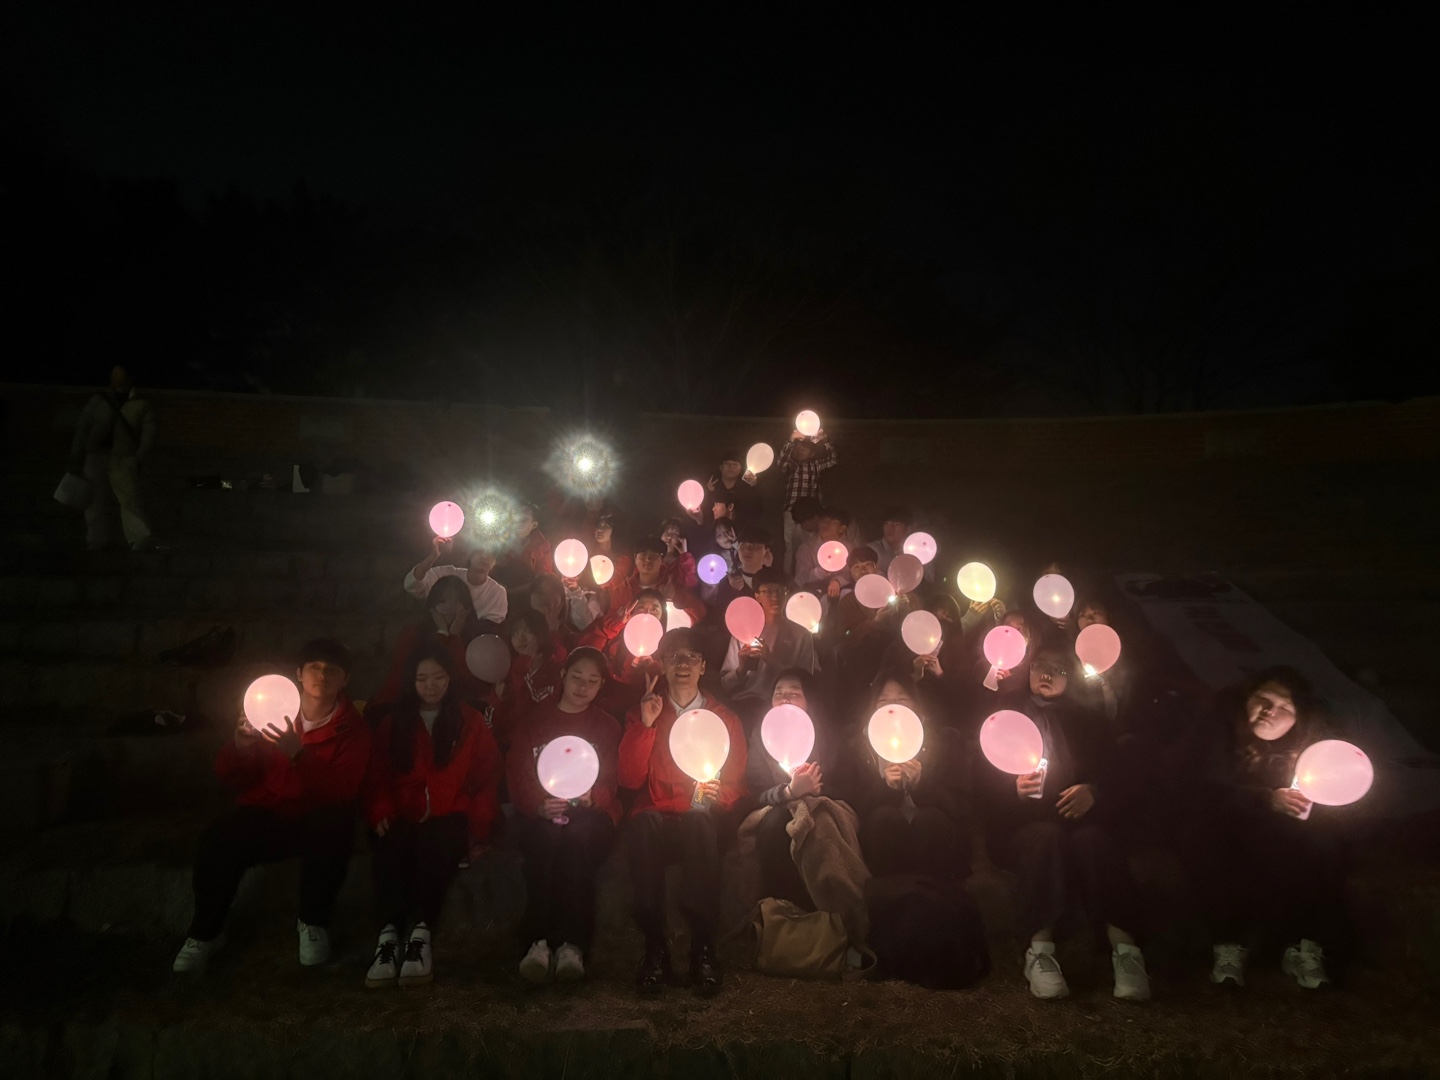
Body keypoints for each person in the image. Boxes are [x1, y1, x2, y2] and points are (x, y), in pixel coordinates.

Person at [174, 639, 370, 973]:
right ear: (299, 674)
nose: (322, 676)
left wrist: (298, 754)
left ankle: (313, 923)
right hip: (273, 812)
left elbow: (341, 790)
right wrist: (241, 747)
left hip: (319, 818)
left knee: (336, 825)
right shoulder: (269, 711)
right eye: (314, 667)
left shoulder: (353, 730)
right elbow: (234, 778)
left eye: (332, 670)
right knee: (218, 838)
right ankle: (206, 932)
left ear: (345, 679)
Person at [975, 644, 1150, 1001]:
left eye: (1057, 669)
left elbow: (1120, 777)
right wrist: (1013, 791)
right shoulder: (1005, 717)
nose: (1046, 674)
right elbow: (981, 786)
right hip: (1024, 825)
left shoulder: (1090, 722)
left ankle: (1126, 951)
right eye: (1040, 666)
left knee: (1094, 842)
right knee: (1044, 837)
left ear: (1071, 678)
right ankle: (1040, 951)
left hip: (1082, 822)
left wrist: (1094, 792)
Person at [1177, 667, 1348, 990]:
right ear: (1247, 698)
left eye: (1284, 707)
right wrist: (1265, 799)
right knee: (1209, 846)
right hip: (1220, 821)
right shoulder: (1217, 732)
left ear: (1299, 717)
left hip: (1279, 829)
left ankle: (1303, 946)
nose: (1270, 711)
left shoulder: (1311, 750)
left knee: (1319, 848)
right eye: (1264, 700)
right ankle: (1228, 946)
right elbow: (1198, 790)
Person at [362, 644, 501, 987]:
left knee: (436, 849)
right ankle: (388, 937)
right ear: (411, 681)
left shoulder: (469, 722)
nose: (431, 685)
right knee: (391, 849)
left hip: (451, 812)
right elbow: (377, 776)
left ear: (450, 679)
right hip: (403, 812)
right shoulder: (394, 723)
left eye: (438, 677)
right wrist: (380, 809)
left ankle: (420, 935)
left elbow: (487, 777)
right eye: (422, 678)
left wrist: (479, 827)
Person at [618, 629, 748, 996]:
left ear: (704, 666)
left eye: (691, 657)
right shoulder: (647, 712)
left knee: (698, 820)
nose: (683, 664)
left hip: (702, 818)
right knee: (644, 823)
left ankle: (703, 947)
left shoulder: (724, 719)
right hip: (658, 814)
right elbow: (629, 779)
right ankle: (655, 947)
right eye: (674, 657)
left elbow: (737, 782)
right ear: (661, 665)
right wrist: (645, 726)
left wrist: (720, 795)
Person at [507, 648, 623, 984]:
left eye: (592, 681)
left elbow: (613, 779)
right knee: (544, 842)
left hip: (591, 815)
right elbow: (518, 775)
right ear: (563, 676)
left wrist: (594, 797)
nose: (583, 686)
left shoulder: (606, 726)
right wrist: (538, 805)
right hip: (544, 812)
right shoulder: (535, 722)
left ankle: (572, 944)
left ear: (601, 685)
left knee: (576, 843)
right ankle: (538, 942)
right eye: (577, 677)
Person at [848, 673, 971, 882]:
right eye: (883, 700)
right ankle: (890, 895)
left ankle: (934, 894)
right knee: (884, 819)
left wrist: (922, 786)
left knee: (929, 819)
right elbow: (855, 808)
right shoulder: (859, 746)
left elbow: (960, 806)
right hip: (882, 837)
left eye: (902, 699)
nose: (892, 707)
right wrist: (886, 789)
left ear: (916, 704)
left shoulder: (943, 740)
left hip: (934, 833)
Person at [70, 363, 157, 551]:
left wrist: (138, 457)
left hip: (123, 456)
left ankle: (139, 538)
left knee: (129, 499)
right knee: (94, 500)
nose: (114, 377)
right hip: (95, 454)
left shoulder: (141, 404)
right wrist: (77, 453)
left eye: (119, 373)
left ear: (130, 377)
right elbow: (83, 428)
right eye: (113, 373)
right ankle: (96, 539)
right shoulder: (98, 400)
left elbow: (148, 434)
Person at [719, 569, 819, 728]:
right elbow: (725, 685)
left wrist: (771, 660)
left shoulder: (801, 634)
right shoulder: (742, 631)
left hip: (785, 704)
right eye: (769, 591)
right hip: (746, 701)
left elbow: (807, 683)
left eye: (780, 591)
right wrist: (741, 669)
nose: (775, 597)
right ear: (757, 596)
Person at [372, 575, 488, 711]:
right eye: (442, 601)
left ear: (466, 607)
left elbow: (467, 682)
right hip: (404, 705)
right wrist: (442, 634)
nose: (449, 607)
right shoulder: (412, 634)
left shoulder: (477, 638)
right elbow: (412, 675)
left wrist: (454, 638)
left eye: (457, 600)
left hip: (458, 708)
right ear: (432, 606)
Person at [491, 608, 567, 751]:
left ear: (540, 634)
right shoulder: (507, 669)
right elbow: (497, 721)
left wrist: (521, 670)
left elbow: (532, 716)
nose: (520, 638)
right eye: (515, 633)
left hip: (542, 744)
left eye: (527, 631)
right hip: (511, 743)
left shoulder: (555, 671)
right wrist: (498, 699)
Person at [404, 539, 508, 630]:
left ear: (496, 561)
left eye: (491, 553)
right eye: (480, 551)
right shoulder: (448, 573)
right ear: (470, 555)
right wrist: (433, 556)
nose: (485, 556)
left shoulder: (497, 592)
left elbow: (491, 628)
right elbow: (412, 584)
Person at [777, 424, 836, 575]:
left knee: (809, 544)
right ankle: (787, 576)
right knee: (790, 546)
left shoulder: (816, 465)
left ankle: (806, 575)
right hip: (790, 511)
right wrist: (790, 440)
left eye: (804, 449)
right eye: (798, 449)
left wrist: (826, 441)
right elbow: (781, 462)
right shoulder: (792, 465)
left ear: (812, 453)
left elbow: (833, 460)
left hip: (809, 514)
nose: (801, 451)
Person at [865, 507, 935, 585]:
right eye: (887, 523)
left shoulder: (919, 551)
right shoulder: (872, 550)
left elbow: (930, 579)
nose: (890, 528)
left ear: (908, 528)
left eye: (897, 524)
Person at [793, 506, 852, 590]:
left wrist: (838, 581)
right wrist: (822, 571)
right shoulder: (806, 548)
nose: (824, 524)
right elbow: (800, 579)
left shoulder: (848, 548)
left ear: (842, 528)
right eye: (823, 521)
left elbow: (851, 574)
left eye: (830, 521)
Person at [707, 449, 761, 526]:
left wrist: (754, 487)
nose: (731, 467)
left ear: (741, 468)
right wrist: (710, 492)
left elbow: (756, 512)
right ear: (720, 467)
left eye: (735, 464)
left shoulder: (746, 488)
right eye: (727, 464)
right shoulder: (711, 487)